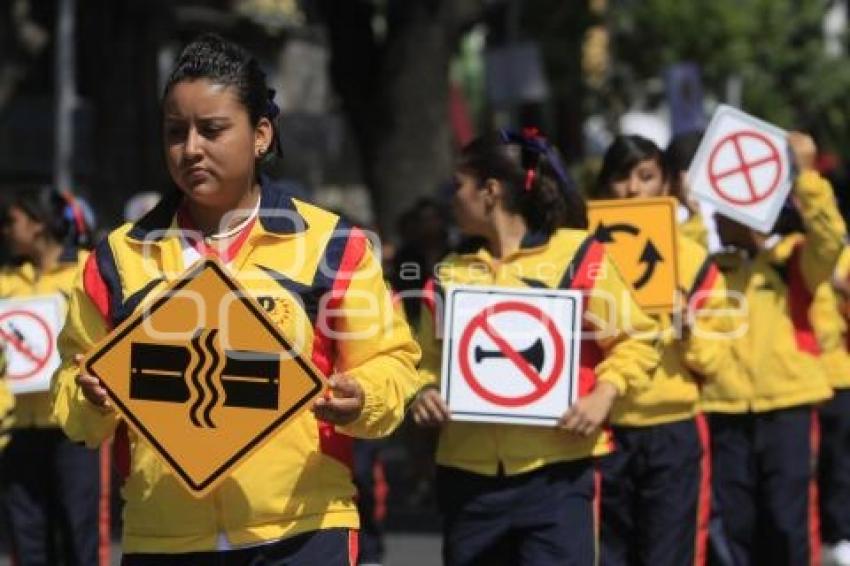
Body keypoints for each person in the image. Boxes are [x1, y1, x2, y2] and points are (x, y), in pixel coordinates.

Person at [50, 33, 421, 564]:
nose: (191, 148)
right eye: (176, 132)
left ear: (261, 134)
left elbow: (392, 364)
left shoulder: (334, 247)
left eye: (213, 130)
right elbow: (72, 384)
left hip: (303, 532)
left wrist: (362, 398)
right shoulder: (115, 260)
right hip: (164, 538)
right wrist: (88, 396)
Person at [411, 129, 661, 566]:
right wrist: (423, 392)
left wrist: (604, 394)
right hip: (468, 479)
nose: (452, 199)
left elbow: (635, 339)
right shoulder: (449, 273)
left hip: (558, 476)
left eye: (459, 186)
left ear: (490, 191)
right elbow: (421, 360)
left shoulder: (579, 256)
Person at [704, 132, 845, 565]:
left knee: (788, 523)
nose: (730, 219)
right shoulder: (708, 268)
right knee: (734, 526)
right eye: (723, 209)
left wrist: (805, 176)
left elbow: (830, 238)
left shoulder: (795, 258)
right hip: (724, 409)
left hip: (789, 406)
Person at [590, 135, 731, 566]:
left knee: (670, 554)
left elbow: (715, 361)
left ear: (666, 185)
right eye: (621, 177)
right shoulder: (580, 255)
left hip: (673, 429)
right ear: (605, 187)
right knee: (607, 554)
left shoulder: (692, 260)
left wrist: (688, 330)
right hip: (603, 430)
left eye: (646, 176)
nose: (633, 189)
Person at [0, 187, 107, 566]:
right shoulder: (6, 280)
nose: (6, 230)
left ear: (39, 223)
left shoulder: (86, 269)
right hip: (17, 430)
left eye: (12, 221)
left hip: (73, 428)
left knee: (79, 532)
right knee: (26, 536)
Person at [811, 248, 850, 566]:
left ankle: (838, 535)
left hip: (840, 376)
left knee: (839, 462)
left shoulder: (845, 256)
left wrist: (842, 286)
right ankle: (832, 536)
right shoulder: (791, 252)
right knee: (826, 463)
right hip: (811, 379)